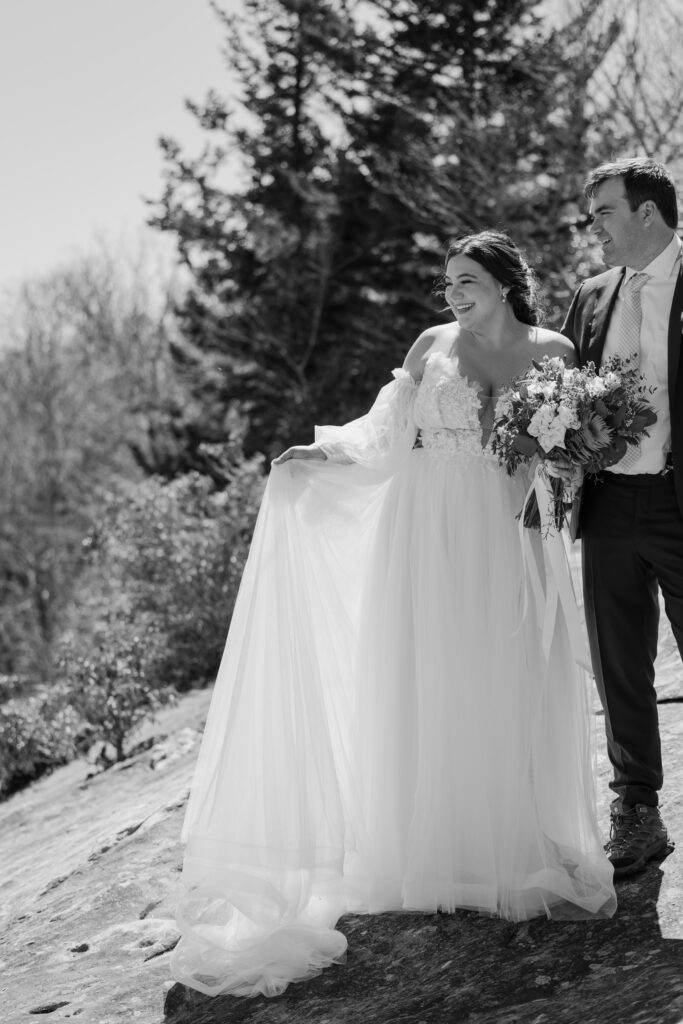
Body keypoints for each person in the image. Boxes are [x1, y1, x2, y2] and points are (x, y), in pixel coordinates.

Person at [171, 231, 615, 999]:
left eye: (467, 280)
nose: (452, 295)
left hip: (506, 533)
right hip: (424, 533)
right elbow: (383, 436)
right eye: (446, 283)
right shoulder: (429, 345)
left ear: (506, 283)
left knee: (506, 676)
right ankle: (431, 851)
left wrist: (567, 460)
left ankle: (513, 842)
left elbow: (569, 454)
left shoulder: (555, 348)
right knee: (427, 676)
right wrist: (317, 457)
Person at [561, 157, 683, 879]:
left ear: (646, 213)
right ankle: (636, 810)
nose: (593, 227)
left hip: (678, 503)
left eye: (603, 211)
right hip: (608, 507)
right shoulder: (591, 295)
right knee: (618, 668)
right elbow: (567, 389)